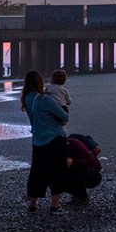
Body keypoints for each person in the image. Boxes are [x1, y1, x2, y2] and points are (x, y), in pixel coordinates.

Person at [20, 70, 70, 213]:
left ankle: (32, 204)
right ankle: (55, 206)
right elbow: (64, 116)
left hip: (37, 139)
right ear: (40, 82)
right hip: (54, 138)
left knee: (37, 171)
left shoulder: (27, 99)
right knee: (56, 171)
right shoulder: (45, 99)